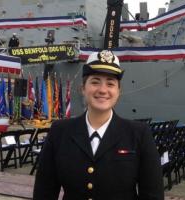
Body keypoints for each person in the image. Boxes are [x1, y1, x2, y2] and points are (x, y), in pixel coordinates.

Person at [33, 50, 164, 200]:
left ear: (118, 91)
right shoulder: (60, 131)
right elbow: (44, 191)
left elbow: (152, 195)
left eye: (110, 83)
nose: (103, 90)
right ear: (83, 88)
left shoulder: (139, 134)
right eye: (95, 82)